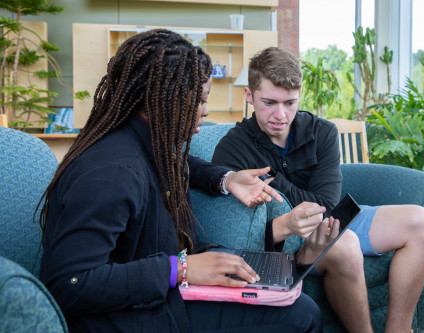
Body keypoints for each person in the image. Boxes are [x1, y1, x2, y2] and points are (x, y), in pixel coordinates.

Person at [38, 31, 322, 333]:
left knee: (271, 281)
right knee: (302, 315)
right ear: (166, 99)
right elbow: (68, 283)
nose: (206, 111)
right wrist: (180, 268)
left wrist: (227, 179)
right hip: (126, 316)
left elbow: (181, 164)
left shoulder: (143, 143)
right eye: (199, 99)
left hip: (157, 298)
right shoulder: (112, 172)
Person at [212, 46, 424, 333]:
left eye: (290, 103)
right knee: (344, 244)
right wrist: (293, 207)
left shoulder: (323, 131)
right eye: (269, 102)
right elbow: (234, 227)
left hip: (331, 222)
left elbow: (325, 207)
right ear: (249, 96)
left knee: (423, 223)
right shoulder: (231, 148)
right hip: (283, 243)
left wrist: (273, 183)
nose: (281, 115)